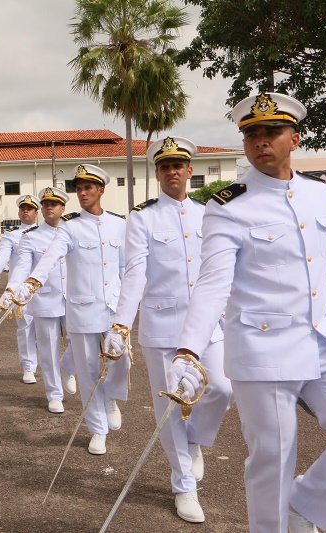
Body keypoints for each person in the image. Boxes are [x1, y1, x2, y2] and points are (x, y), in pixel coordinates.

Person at [171, 93, 326, 533]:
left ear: (294, 138)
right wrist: (188, 349)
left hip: (322, 342)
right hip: (263, 349)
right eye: (252, 134)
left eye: (272, 132)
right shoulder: (229, 205)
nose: (261, 142)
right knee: (273, 458)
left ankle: (304, 507)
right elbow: (212, 283)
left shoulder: (319, 194)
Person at [105, 137, 232, 522]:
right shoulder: (142, 217)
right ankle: (184, 487)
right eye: (164, 166)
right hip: (163, 327)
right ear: (158, 173)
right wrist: (122, 323)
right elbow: (135, 273)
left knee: (223, 388)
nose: (172, 171)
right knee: (168, 411)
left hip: (207, 326)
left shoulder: (209, 213)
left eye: (178, 165)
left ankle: (195, 440)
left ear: (190, 170)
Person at [17, 167, 128, 454]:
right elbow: (52, 256)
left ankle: (111, 395)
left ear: (101, 190)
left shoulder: (119, 224)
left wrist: (129, 301)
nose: (82, 192)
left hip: (114, 309)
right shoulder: (69, 227)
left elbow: (126, 267)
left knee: (121, 362)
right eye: (78, 188)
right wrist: (32, 281)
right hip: (82, 311)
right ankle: (97, 430)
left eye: (88, 187)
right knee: (88, 371)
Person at [3, 187, 71, 413]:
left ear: (63, 208)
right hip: (45, 299)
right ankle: (54, 394)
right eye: (46, 204)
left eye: (54, 203)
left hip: (75, 299)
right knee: (48, 349)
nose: (49, 207)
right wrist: (13, 289)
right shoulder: (30, 237)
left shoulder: (74, 231)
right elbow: (22, 266)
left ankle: (69, 368)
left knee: (81, 345)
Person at [0, 194, 42, 384]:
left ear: (36, 212)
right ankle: (28, 367)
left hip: (44, 289)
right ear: (19, 212)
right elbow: (3, 255)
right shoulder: (12, 235)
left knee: (48, 330)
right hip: (20, 289)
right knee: (25, 328)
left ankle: (49, 365)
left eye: (30, 208)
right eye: (23, 208)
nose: (26, 211)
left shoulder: (47, 233)